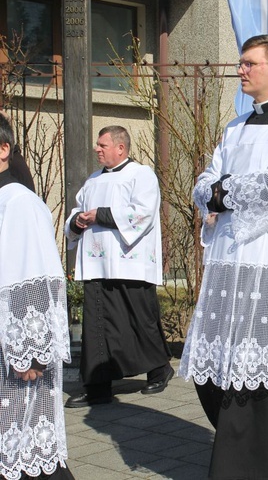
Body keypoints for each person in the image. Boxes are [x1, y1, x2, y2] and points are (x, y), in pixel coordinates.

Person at [178, 35, 268, 479]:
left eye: (248, 63)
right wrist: (217, 192)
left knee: (266, 363)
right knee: (216, 366)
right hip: (232, 261)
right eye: (242, 64)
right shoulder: (234, 127)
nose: (240, 70)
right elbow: (203, 182)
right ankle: (242, 448)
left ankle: (259, 462)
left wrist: (223, 194)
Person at [64, 125, 172, 408]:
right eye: (97, 145)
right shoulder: (93, 180)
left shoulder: (141, 175)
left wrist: (99, 214)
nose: (97, 149)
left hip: (130, 262)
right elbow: (76, 211)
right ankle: (97, 386)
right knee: (97, 325)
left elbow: (143, 213)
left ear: (121, 148)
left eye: (103, 145)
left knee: (140, 320)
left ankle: (160, 369)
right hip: (98, 263)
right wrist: (76, 221)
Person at [0, 115, 74, 480]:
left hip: (15, 352)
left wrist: (32, 350)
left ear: (3, 150)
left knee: (25, 449)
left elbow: (37, 278)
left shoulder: (19, 203)